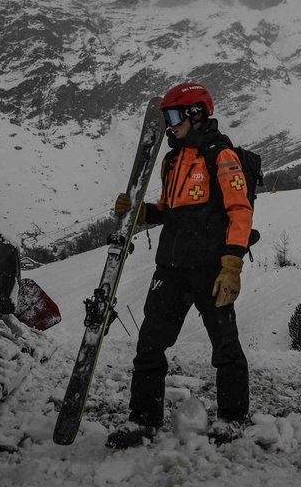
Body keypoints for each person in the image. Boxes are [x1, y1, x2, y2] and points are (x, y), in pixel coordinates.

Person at [105, 81, 254, 449]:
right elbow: (173, 212)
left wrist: (231, 265)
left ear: (196, 114)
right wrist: (143, 212)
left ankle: (232, 419)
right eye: (166, 117)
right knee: (150, 345)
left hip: (209, 268)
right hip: (170, 267)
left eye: (173, 116)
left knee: (226, 345)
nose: (169, 125)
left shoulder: (222, 156)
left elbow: (239, 209)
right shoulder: (173, 160)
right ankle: (143, 421)